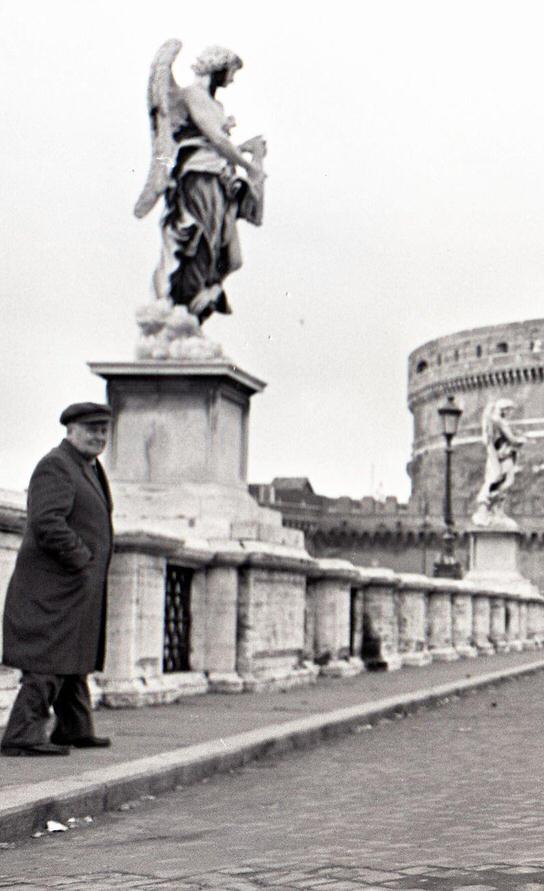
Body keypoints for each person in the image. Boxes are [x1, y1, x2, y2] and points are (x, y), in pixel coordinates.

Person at [2, 403, 116, 756]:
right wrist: (83, 559)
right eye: (91, 429)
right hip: (52, 586)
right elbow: (47, 522)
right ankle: (21, 734)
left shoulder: (88, 468)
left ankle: (73, 728)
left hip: (72, 587)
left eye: (104, 431)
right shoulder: (56, 465)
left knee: (73, 657)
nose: (99, 437)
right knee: (47, 660)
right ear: (71, 430)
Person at [138, 43, 267, 323]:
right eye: (230, 72)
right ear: (218, 68)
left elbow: (220, 144)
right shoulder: (191, 95)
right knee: (199, 242)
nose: (231, 79)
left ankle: (194, 306)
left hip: (219, 180)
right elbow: (217, 140)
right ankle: (182, 307)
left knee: (224, 253)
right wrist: (248, 166)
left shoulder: (215, 104)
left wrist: (245, 153)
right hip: (197, 178)